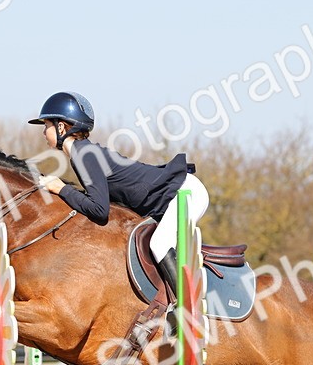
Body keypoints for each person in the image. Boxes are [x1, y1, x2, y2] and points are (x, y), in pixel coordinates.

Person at [29, 91, 208, 321]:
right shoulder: (83, 153)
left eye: (46, 125)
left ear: (62, 127)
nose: (44, 132)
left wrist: (61, 188)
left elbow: (99, 210)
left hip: (185, 192)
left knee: (160, 242)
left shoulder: (85, 154)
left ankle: (187, 311)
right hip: (173, 196)